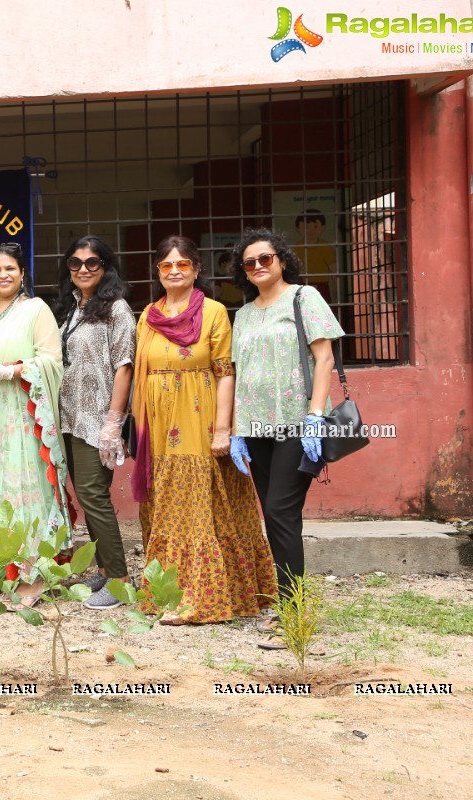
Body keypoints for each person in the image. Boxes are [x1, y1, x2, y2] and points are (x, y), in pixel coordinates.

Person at [130, 235, 276, 625]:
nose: (174, 271)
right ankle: (167, 593)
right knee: (165, 506)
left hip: (200, 418)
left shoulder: (212, 312)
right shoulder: (148, 314)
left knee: (199, 508)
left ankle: (200, 598)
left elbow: (225, 372)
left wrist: (223, 429)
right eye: (166, 266)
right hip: (158, 426)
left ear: (196, 269)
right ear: (158, 272)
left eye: (182, 264)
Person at [228, 228, 344, 648]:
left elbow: (324, 356)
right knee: (276, 518)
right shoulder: (242, 315)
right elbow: (239, 374)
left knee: (279, 512)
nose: (259, 266)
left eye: (266, 258)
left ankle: (292, 614)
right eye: (250, 262)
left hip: (298, 424)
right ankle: (287, 603)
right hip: (257, 428)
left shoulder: (303, 298)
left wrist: (315, 415)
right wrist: (238, 429)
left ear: (281, 260)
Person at [0, 242, 70, 608]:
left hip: (26, 412)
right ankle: (3, 570)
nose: (3, 275)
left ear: (23, 273)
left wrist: (13, 370)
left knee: (27, 484)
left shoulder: (35, 310)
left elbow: (53, 361)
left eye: (10, 268)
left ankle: (33, 573)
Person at [52, 236, 134, 609]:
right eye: (75, 263)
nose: (83, 269)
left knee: (94, 496)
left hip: (95, 418)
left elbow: (124, 366)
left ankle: (120, 579)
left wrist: (113, 423)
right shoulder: (69, 307)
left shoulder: (116, 308)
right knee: (85, 496)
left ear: (106, 267)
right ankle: (104, 569)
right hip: (66, 417)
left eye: (92, 263)